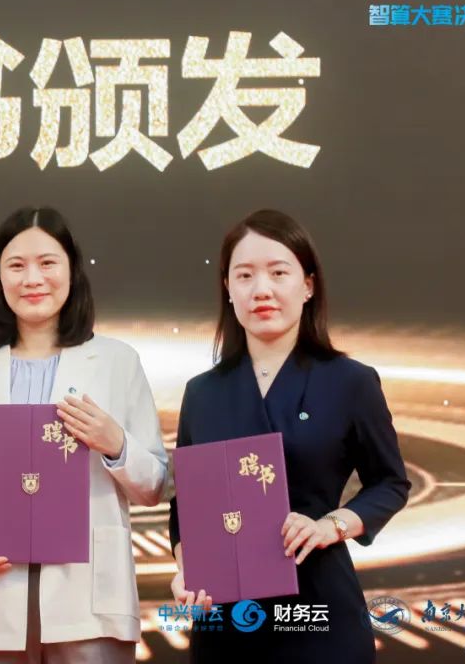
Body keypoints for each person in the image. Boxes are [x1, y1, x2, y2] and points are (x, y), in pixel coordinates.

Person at [0, 206, 168, 662]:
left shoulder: (117, 362)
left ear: (72, 270)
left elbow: (155, 485)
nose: (32, 278)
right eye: (16, 265)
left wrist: (115, 443)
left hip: (90, 601)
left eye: (48, 263)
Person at [168, 209, 410, 663]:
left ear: (308, 285)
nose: (261, 289)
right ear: (228, 288)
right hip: (227, 624)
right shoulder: (202, 393)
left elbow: (390, 483)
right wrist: (188, 571)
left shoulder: (351, 381)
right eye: (245, 275)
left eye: (278, 272)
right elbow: (186, 508)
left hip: (318, 613)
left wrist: (329, 526)